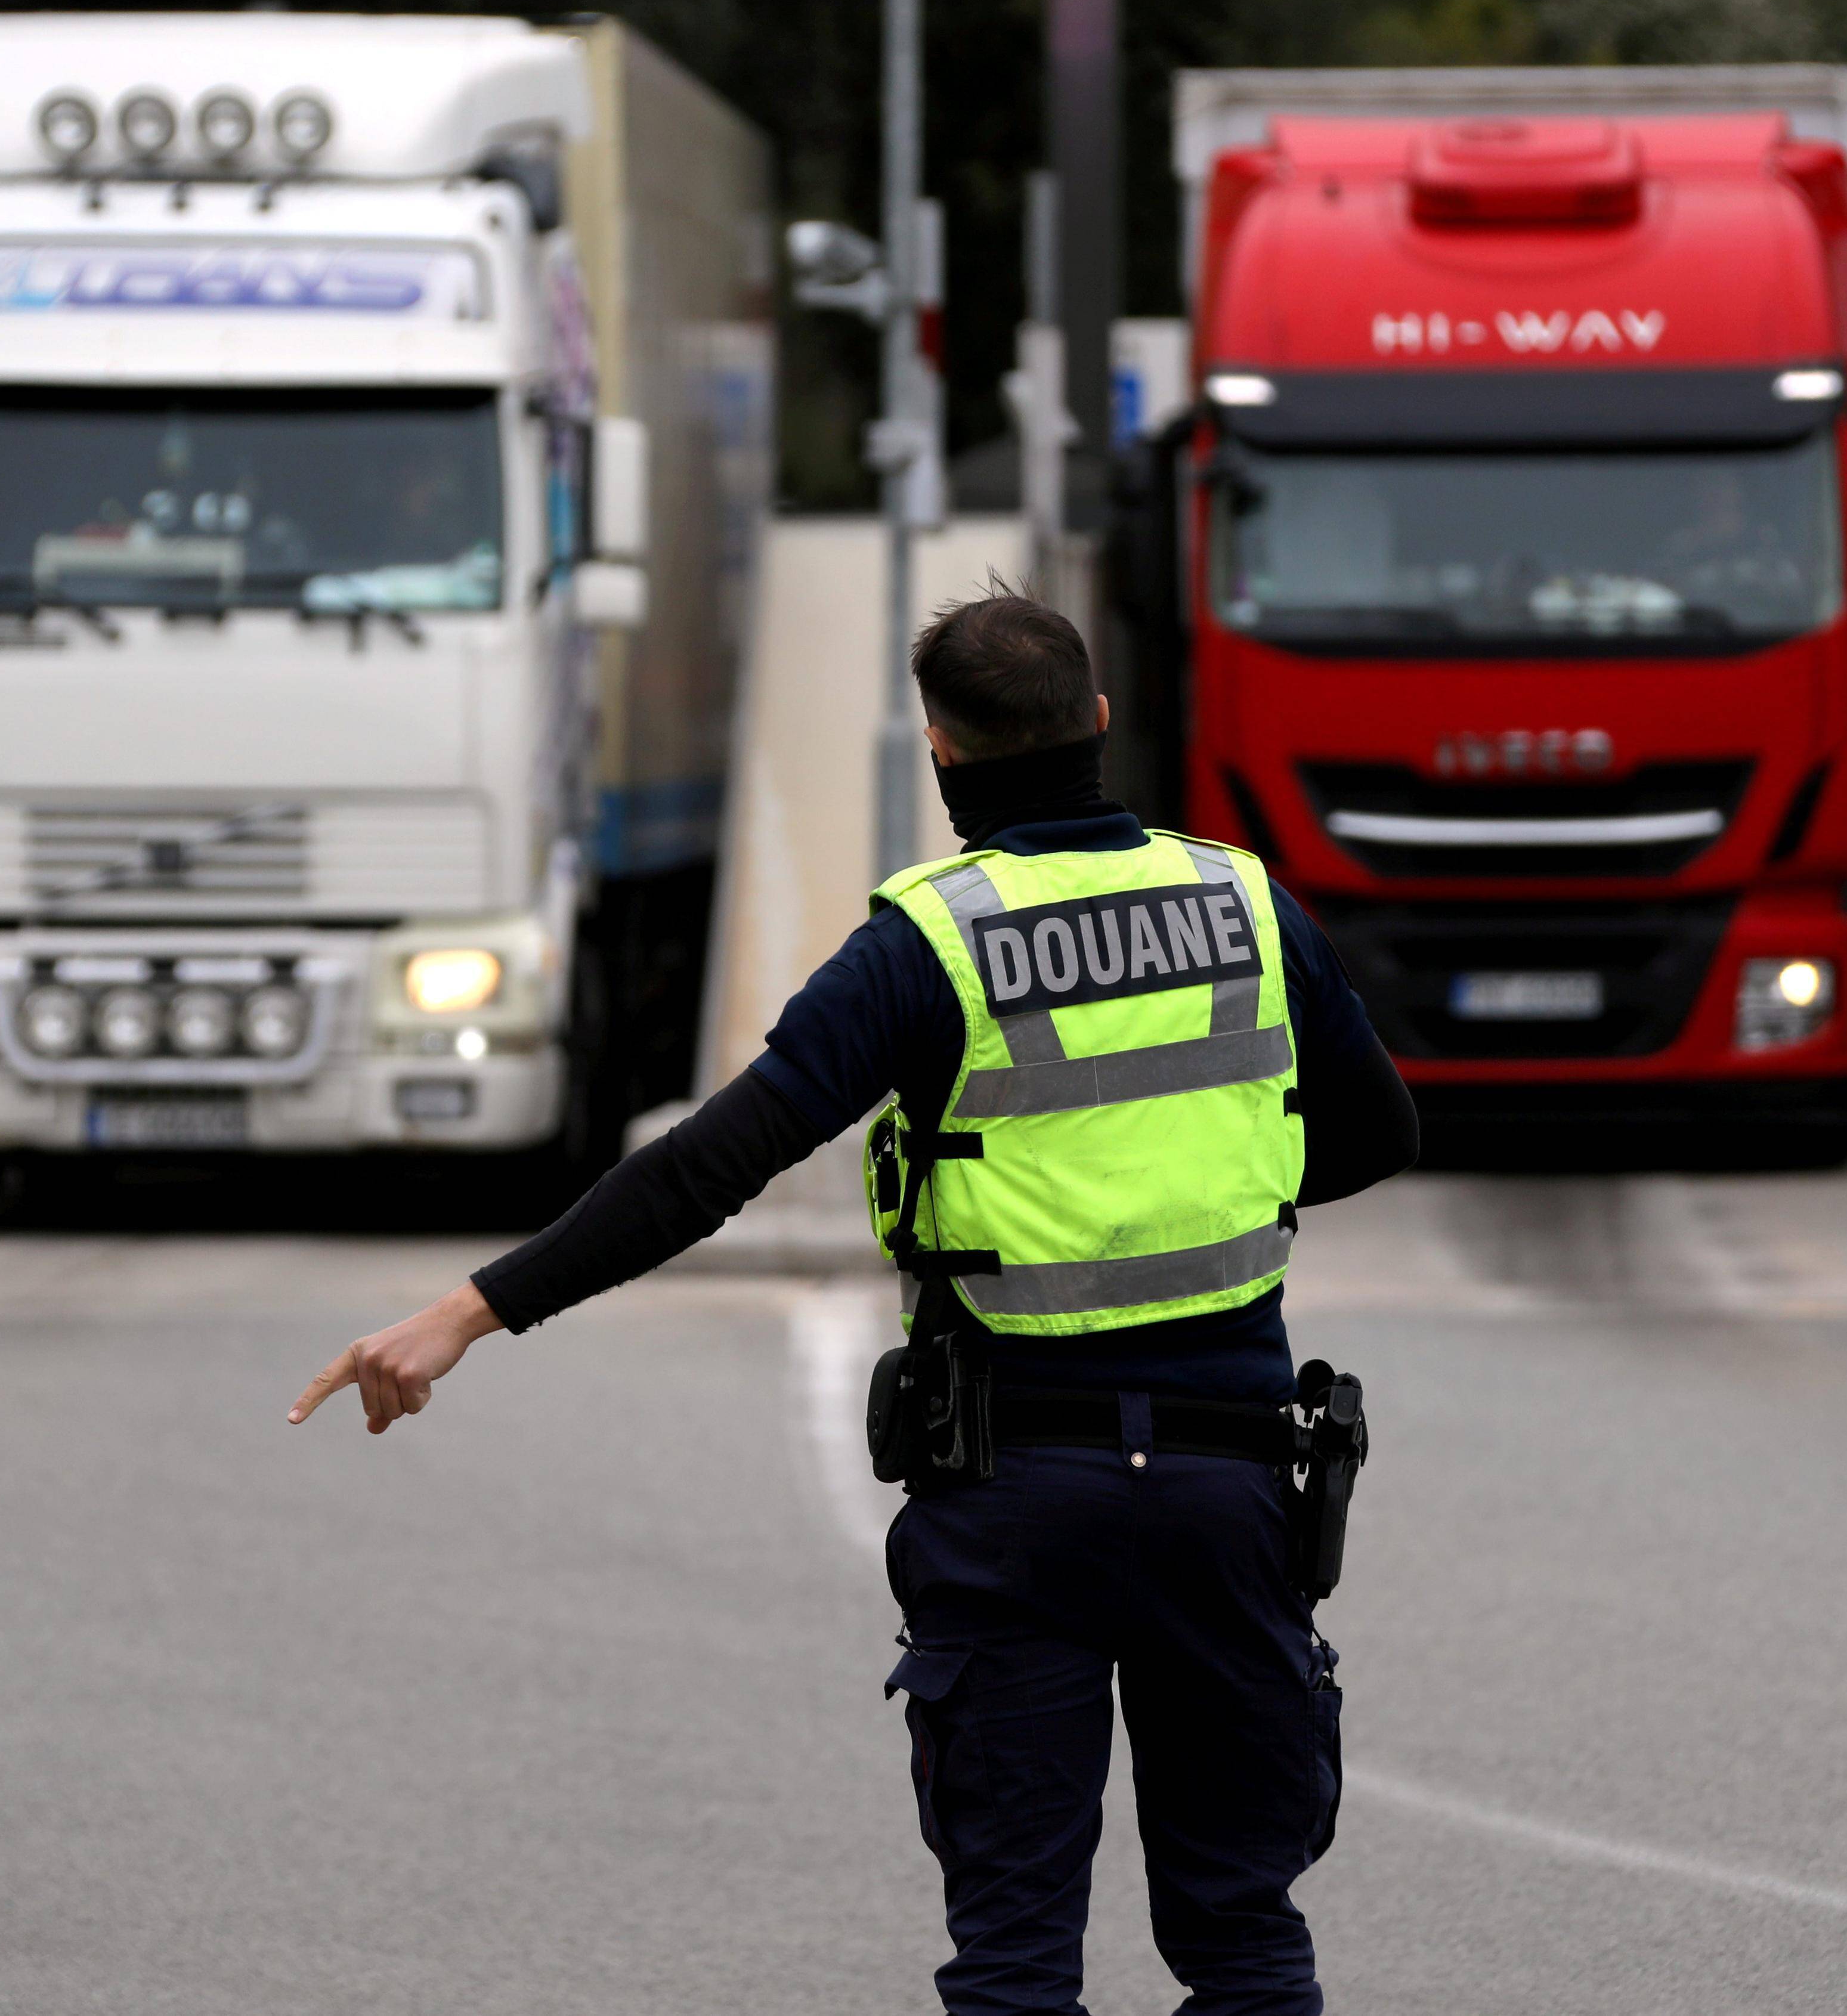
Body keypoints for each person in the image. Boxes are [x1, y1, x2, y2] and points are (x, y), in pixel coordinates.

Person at [290, 590, 1420, 2016]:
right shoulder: (1243, 899)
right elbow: (1380, 1135)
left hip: (1017, 1497)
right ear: (1101, 725)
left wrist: (464, 1313)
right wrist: (1198, 1178)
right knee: (1244, 1939)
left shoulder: (927, 945)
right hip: (1229, 1486)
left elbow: (715, 1162)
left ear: (941, 752)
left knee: (1013, 1959)